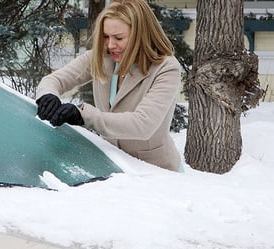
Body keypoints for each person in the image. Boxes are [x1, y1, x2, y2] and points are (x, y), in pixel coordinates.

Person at [35, 0, 181, 172]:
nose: (110, 45)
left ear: (140, 35)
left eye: (119, 38)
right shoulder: (100, 57)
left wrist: (84, 116)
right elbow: (54, 80)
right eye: (106, 36)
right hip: (112, 167)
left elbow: (143, 125)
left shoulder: (166, 68)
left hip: (155, 171)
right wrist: (48, 95)